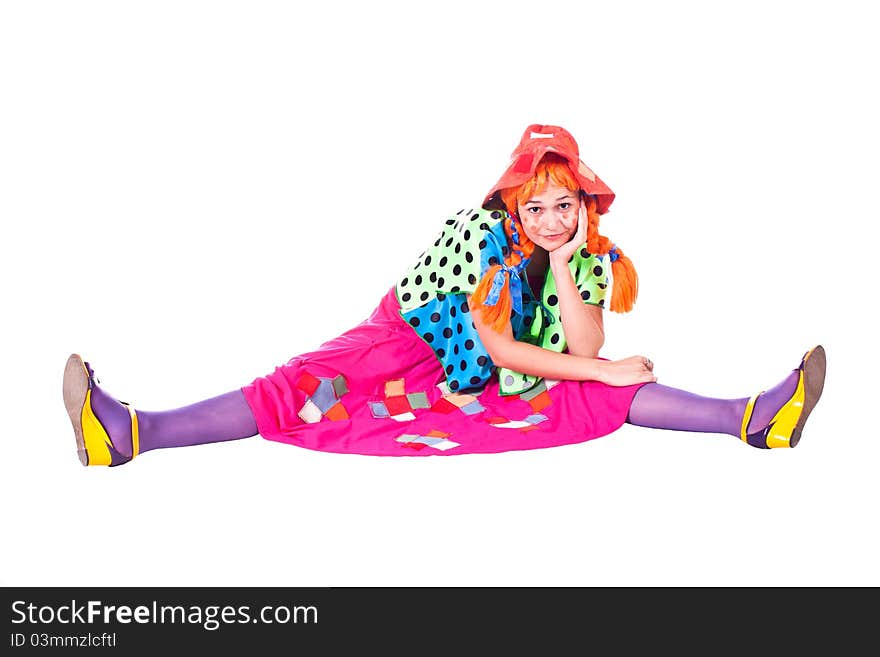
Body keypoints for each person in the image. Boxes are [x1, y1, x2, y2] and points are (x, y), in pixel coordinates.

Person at [62, 123, 826, 466]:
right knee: (298, 388)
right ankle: (136, 431)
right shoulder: (476, 235)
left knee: (597, 392)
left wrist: (566, 271)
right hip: (413, 336)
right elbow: (498, 345)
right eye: (536, 205)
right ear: (510, 204)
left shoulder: (586, 251)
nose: (551, 218)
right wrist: (603, 366)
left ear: (584, 204)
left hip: (495, 360)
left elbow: (583, 352)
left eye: (566, 204)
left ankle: (749, 420)